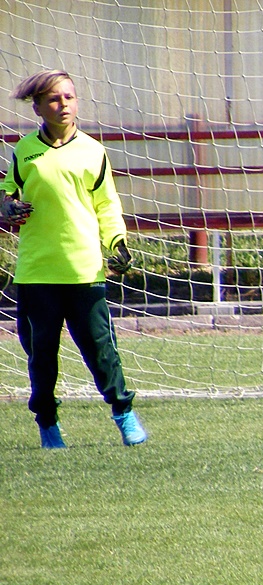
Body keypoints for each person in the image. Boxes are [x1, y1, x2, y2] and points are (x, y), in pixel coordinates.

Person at [0, 70, 145, 449]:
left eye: (69, 97)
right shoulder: (25, 151)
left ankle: (124, 414)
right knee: (41, 357)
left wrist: (118, 243)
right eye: (54, 99)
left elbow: (107, 205)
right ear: (38, 107)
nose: (63, 105)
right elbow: (7, 192)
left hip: (84, 271)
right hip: (36, 273)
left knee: (101, 352)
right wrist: (7, 206)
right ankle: (48, 425)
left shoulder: (93, 151)